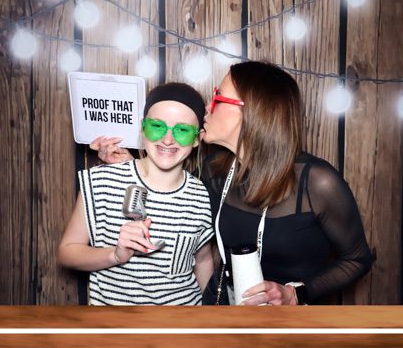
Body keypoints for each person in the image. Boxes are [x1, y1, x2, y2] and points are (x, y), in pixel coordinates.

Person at [94, 62, 374, 305]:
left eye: (218, 97)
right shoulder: (215, 169)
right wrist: (130, 165)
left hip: (286, 327)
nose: (207, 106)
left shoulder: (318, 183)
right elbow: (172, 189)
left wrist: (295, 294)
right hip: (220, 312)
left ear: (253, 113)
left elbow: (357, 260)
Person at [58, 83, 215, 305]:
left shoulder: (201, 195)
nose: (167, 140)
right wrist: (115, 255)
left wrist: (211, 314)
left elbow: (203, 260)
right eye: (157, 127)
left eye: (182, 130)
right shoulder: (101, 181)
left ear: (197, 138)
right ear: (142, 128)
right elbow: (67, 252)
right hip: (115, 322)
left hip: (182, 320)